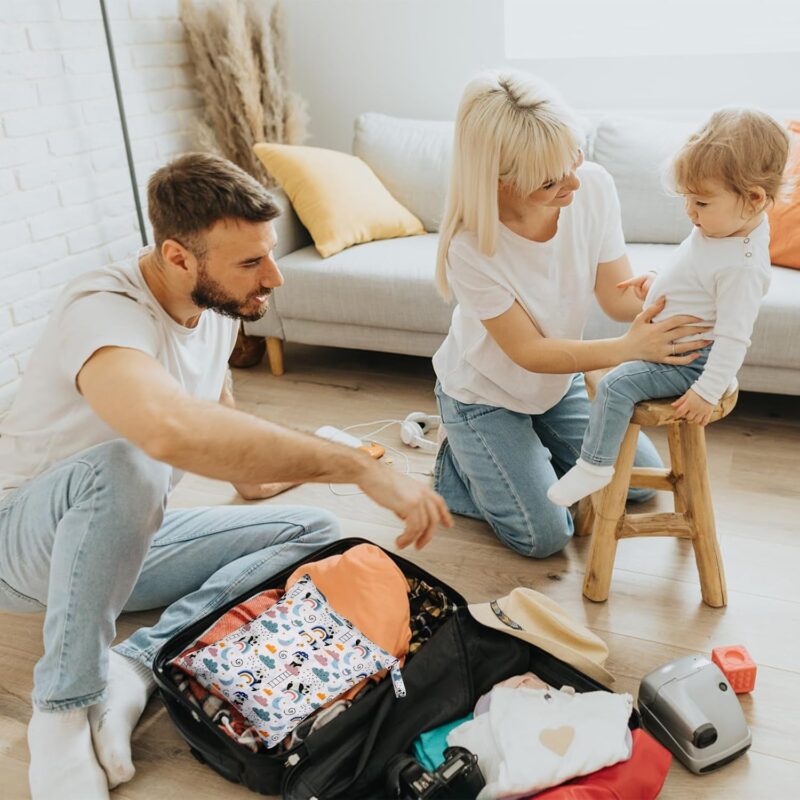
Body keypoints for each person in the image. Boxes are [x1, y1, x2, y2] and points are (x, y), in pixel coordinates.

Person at [0, 153, 452, 800]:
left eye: (269, 254)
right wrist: (349, 466)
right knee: (128, 462)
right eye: (251, 263)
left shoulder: (212, 310)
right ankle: (62, 710)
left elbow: (231, 444)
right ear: (179, 258)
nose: (275, 276)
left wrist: (312, 467)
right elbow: (163, 430)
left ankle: (136, 665)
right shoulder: (102, 310)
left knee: (316, 529)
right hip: (20, 540)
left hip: (126, 536)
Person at [432, 70, 710, 558]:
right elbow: (529, 352)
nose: (574, 181)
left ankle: (520, 453)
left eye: (573, 159)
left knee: (639, 485)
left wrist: (657, 296)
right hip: (485, 396)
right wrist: (627, 348)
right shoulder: (470, 246)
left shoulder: (593, 188)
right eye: (550, 180)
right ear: (500, 180)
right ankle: (456, 467)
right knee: (545, 536)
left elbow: (615, 297)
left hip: (554, 388)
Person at [548, 109, 789, 506]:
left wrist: (706, 391)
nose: (690, 212)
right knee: (608, 372)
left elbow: (733, 337)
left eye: (701, 202)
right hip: (672, 344)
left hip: (689, 360)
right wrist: (657, 283)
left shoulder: (742, 267)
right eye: (687, 199)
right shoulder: (722, 228)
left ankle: (594, 467)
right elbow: (694, 272)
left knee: (615, 385)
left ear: (755, 199)